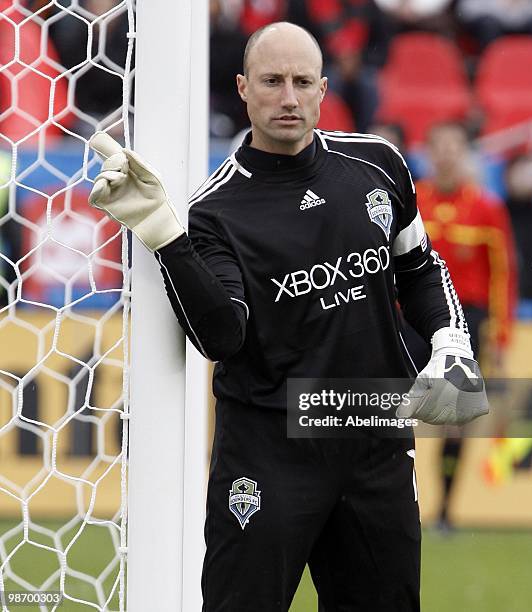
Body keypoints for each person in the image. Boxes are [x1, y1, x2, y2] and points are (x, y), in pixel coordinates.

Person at [87, 22, 488, 611]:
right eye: (272, 81)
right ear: (243, 88)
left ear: (325, 89)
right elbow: (222, 335)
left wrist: (450, 339)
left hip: (372, 440)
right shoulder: (216, 211)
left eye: (303, 81)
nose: (289, 97)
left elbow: (421, 268)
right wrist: (167, 237)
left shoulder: (379, 165)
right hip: (268, 453)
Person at [412, 121, 517, 530]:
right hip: (412, 317)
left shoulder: (487, 208)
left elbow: (503, 276)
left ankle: (445, 512)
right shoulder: (413, 200)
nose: (447, 155)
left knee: (452, 419)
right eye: (439, 146)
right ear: (428, 152)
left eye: (455, 146)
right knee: (386, 409)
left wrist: (502, 335)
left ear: (466, 154)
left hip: (464, 322)